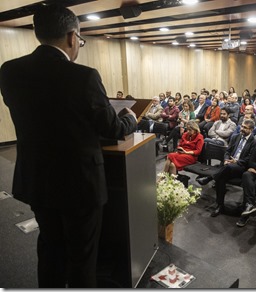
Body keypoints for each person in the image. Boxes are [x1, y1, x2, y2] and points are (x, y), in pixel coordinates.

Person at [0, 4, 137, 288]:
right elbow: (111, 128)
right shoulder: (84, 76)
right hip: (79, 184)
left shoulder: (10, 71)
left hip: (37, 178)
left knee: (49, 247)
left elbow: (44, 118)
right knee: (81, 256)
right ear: (73, 37)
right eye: (81, 41)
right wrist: (131, 119)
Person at [196, 120, 256, 217]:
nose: (242, 129)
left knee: (225, 168)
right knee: (221, 178)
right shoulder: (235, 137)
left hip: (241, 167)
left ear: (251, 130)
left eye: (245, 128)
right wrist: (226, 159)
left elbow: (250, 158)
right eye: (242, 126)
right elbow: (227, 151)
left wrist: (236, 161)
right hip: (228, 166)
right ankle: (219, 205)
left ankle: (210, 177)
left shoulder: (255, 142)